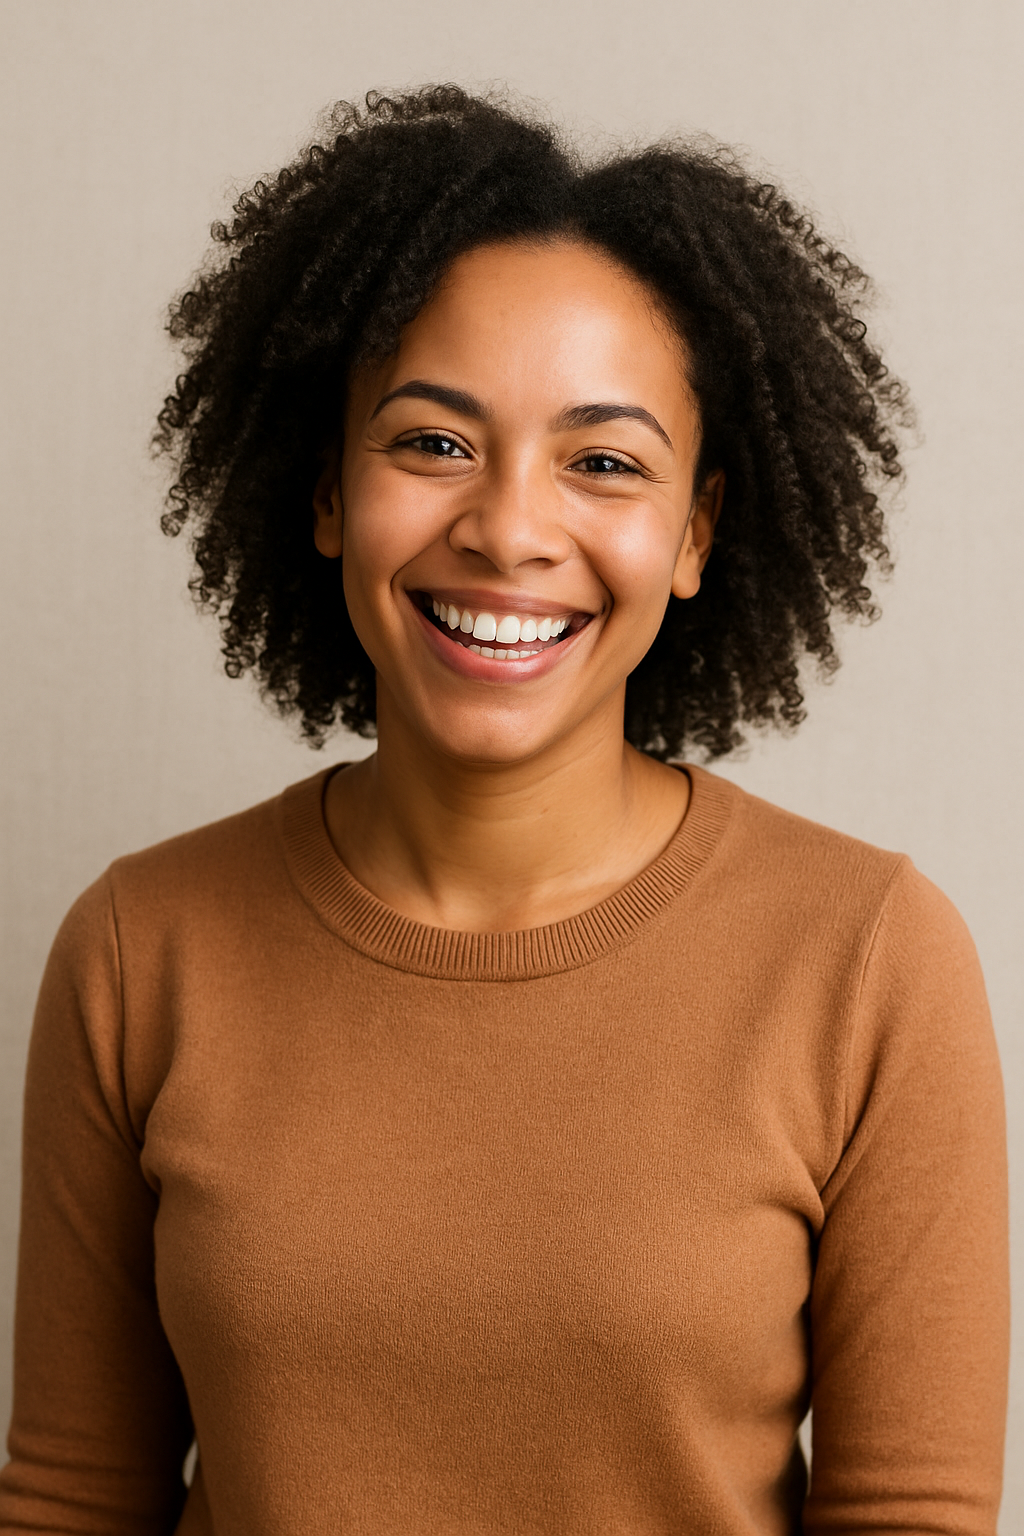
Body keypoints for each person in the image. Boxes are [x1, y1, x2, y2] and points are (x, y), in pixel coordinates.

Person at [0, 85, 1009, 1535]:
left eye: (603, 462)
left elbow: (911, 1515)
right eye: (430, 442)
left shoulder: (869, 961)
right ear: (327, 492)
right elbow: (72, 1501)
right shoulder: (138, 949)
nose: (510, 529)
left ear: (697, 533)